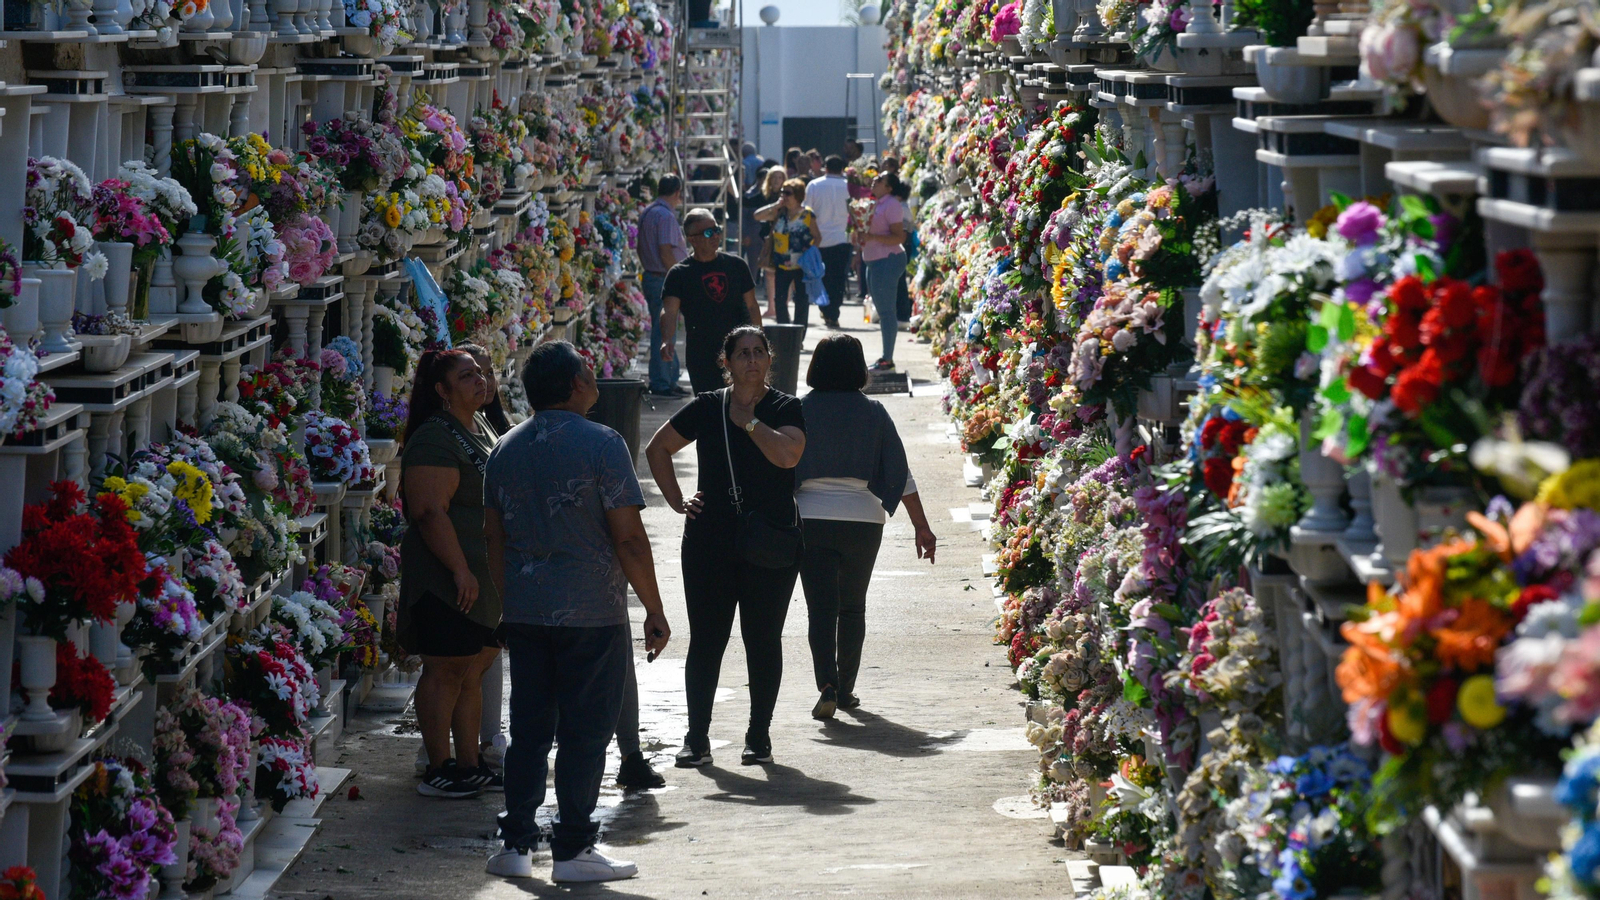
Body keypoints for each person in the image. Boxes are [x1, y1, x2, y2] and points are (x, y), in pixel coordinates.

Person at [483, 342, 672, 883]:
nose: (594, 381)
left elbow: (493, 536)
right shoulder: (603, 444)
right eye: (588, 374)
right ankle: (572, 848)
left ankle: (516, 843)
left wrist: (506, 602)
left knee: (529, 730)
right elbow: (630, 538)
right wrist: (654, 608)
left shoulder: (506, 448)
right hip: (591, 611)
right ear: (573, 386)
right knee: (586, 733)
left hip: (526, 611)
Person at [644, 327, 806, 767]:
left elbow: (788, 456)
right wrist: (677, 500)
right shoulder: (707, 406)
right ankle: (697, 737)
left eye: (758, 352)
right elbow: (657, 449)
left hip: (769, 539)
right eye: (742, 353)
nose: (751, 360)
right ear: (726, 362)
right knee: (707, 640)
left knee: (763, 639)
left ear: (770, 360)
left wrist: (750, 423)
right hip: (709, 539)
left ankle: (759, 735)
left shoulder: (786, 407)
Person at [795, 335, 937, 719]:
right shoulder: (874, 413)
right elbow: (899, 473)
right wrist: (921, 527)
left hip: (810, 519)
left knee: (820, 610)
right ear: (860, 368)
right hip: (864, 520)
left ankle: (825, 683)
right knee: (852, 608)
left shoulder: (797, 410)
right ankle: (845, 690)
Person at [398, 349, 503, 799]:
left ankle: (469, 762)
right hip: (447, 580)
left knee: (472, 670)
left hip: (483, 580)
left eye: (480, 373)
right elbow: (428, 511)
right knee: (445, 670)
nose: (479, 380)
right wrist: (460, 569)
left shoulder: (478, 425)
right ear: (442, 391)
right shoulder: (434, 438)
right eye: (466, 376)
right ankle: (438, 768)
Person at [459, 344, 509, 772]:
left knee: (491, 654)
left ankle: (490, 738)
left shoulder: (495, 427)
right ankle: (451, 749)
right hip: (468, 555)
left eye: (489, 373)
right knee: (463, 660)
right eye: (474, 374)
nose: (486, 383)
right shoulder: (448, 432)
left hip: (493, 555)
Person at [658, 208, 761, 394]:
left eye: (717, 230)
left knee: (742, 403)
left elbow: (752, 305)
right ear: (692, 238)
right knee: (708, 407)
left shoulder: (737, 265)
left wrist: (760, 341)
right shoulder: (679, 273)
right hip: (701, 354)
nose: (715, 236)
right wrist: (666, 340)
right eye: (708, 232)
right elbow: (669, 311)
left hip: (739, 350)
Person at [638, 175, 688, 397]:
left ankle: (669, 378)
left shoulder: (648, 212)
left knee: (665, 329)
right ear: (677, 192)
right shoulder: (665, 216)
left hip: (652, 275)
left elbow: (640, 247)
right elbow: (666, 250)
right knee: (665, 330)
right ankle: (661, 382)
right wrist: (677, 276)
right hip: (664, 277)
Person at [857, 171, 912, 370]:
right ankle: (885, 358)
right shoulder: (876, 203)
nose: (874, 180)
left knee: (887, 312)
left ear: (889, 188)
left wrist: (872, 237)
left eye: (880, 179)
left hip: (887, 260)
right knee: (882, 310)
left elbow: (899, 237)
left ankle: (887, 359)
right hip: (873, 260)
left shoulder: (891, 205)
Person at [753, 178, 818, 328]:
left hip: (802, 265)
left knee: (801, 300)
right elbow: (757, 216)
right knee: (779, 299)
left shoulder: (807, 214)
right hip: (781, 263)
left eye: (788, 193)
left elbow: (817, 237)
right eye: (782, 192)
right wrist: (776, 205)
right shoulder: (779, 213)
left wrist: (811, 255)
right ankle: (784, 331)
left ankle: (799, 334)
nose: (784, 196)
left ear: (798, 195)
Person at [804, 155, 851, 329]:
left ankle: (825, 308)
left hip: (819, 239)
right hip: (841, 238)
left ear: (825, 167)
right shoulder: (848, 186)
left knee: (820, 276)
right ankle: (833, 311)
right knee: (838, 278)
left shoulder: (814, 185)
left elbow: (807, 211)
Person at [753, 167, 786, 318]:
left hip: (784, 238)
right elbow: (759, 215)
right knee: (769, 271)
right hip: (768, 237)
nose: (776, 180)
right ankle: (772, 307)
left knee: (783, 272)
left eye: (780, 177)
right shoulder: (765, 195)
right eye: (774, 177)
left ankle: (781, 305)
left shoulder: (787, 195)